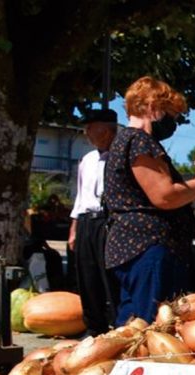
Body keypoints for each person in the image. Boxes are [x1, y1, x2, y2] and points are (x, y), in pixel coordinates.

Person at [103, 77, 195, 325]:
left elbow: (166, 194)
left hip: (137, 247)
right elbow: (165, 196)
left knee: (133, 322)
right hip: (148, 247)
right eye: (171, 113)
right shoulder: (139, 141)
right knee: (151, 324)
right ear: (152, 106)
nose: (174, 122)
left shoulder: (127, 141)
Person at [69, 109, 121, 334]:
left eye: (91, 127)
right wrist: (74, 230)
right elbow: (81, 198)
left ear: (107, 128)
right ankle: (94, 328)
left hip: (109, 220)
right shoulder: (87, 160)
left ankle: (118, 326)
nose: (86, 132)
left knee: (109, 276)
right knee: (87, 277)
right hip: (86, 222)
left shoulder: (120, 156)